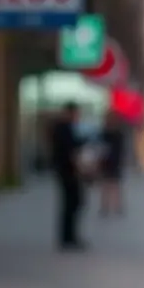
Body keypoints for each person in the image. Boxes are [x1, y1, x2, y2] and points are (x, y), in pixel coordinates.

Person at [50, 102, 86, 250]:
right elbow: (68, 150)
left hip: (66, 170)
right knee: (72, 203)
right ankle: (68, 237)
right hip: (67, 171)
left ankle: (69, 237)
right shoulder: (63, 128)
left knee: (72, 204)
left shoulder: (63, 128)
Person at [98, 111, 127, 216]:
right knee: (106, 185)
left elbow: (121, 149)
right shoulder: (106, 132)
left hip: (114, 162)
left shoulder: (117, 133)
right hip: (107, 162)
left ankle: (116, 206)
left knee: (114, 186)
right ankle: (105, 206)